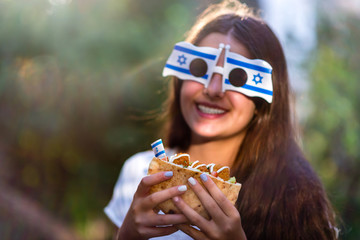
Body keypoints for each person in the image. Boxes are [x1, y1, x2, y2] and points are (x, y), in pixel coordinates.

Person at [104, 0, 339, 239]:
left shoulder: (295, 199)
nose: (214, 89)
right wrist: (128, 235)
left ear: (262, 102)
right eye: (199, 69)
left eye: (236, 77)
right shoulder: (139, 175)